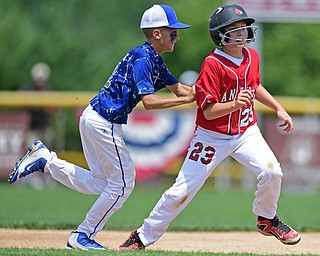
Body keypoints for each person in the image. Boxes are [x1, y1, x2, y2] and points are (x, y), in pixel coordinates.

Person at [8, 4, 195, 251]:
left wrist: (208, 93)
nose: (177, 36)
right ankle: (82, 235)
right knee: (123, 184)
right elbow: (149, 102)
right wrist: (185, 101)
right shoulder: (143, 58)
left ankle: (47, 161)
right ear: (157, 33)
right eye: (173, 32)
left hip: (95, 118)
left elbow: (182, 89)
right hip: (103, 122)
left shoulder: (153, 60)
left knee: (101, 183)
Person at [118, 4, 301, 251]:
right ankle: (142, 236)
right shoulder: (212, 64)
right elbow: (208, 110)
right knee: (181, 191)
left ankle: (267, 219)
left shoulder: (251, 56)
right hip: (211, 137)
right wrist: (235, 103)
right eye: (234, 29)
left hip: (245, 131)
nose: (242, 32)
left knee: (272, 172)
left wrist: (278, 107)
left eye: (243, 27)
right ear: (220, 35)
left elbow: (254, 85)